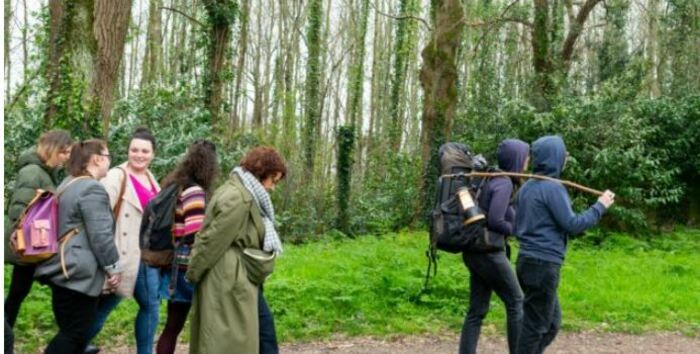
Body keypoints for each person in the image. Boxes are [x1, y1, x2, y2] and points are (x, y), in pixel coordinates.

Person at [514, 135, 615, 354]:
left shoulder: (526, 188)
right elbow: (572, 224)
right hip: (542, 265)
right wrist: (600, 206)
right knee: (536, 327)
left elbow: (516, 224)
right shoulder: (552, 189)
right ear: (554, 158)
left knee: (550, 324)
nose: (566, 159)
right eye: (564, 155)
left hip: (527, 263)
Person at [186, 146, 287, 354]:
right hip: (227, 279)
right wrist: (194, 273)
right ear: (262, 172)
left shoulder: (245, 191)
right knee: (228, 342)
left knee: (263, 333)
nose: (272, 188)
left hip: (238, 277)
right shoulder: (238, 197)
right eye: (273, 180)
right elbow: (211, 240)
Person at [35, 139, 122, 354]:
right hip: (77, 275)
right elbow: (100, 235)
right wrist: (113, 266)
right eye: (108, 157)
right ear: (96, 159)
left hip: (63, 270)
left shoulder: (69, 182)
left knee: (73, 333)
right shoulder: (92, 188)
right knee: (74, 334)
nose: (109, 162)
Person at [83, 127, 160, 354]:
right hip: (121, 254)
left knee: (151, 306)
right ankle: (69, 345)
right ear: (127, 151)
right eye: (134, 149)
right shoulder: (116, 176)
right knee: (106, 306)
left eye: (145, 151)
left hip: (145, 256)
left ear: (153, 154)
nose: (139, 155)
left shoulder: (150, 178)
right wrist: (108, 261)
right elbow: (99, 219)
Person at [460, 139, 529, 354]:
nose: (528, 163)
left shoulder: (489, 179)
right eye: (526, 158)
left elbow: (499, 214)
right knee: (517, 301)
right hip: (489, 253)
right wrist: (517, 231)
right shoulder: (504, 182)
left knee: (476, 311)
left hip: (473, 250)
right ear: (516, 159)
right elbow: (496, 221)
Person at [5, 130, 73, 330]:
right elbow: (19, 210)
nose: (67, 157)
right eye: (64, 152)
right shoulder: (33, 172)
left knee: (19, 291)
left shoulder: (42, 171)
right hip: (29, 244)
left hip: (34, 243)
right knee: (20, 291)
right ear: (53, 150)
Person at [155, 139, 218, 354]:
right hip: (185, 267)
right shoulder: (194, 191)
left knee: (172, 326)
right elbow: (195, 232)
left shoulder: (177, 184)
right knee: (177, 326)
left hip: (175, 264)